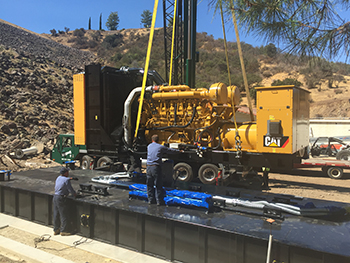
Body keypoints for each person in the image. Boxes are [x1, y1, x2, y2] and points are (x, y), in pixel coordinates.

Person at [146, 134, 182, 205]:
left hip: (148, 167)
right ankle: (159, 201)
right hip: (155, 167)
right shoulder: (160, 147)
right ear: (158, 140)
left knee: (149, 184)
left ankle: (150, 200)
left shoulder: (149, 146)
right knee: (158, 184)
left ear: (152, 140)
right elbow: (169, 151)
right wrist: (179, 151)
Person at [53, 167, 76, 236]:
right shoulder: (66, 180)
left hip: (55, 197)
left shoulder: (58, 178)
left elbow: (63, 181)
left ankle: (56, 229)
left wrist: (71, 178)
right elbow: (70, 189)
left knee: (56, 214)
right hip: (61, 198)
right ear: (66, 173)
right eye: (67, 172)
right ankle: (64, 230)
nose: (68, 173)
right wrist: (75, 194)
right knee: (64, 214)